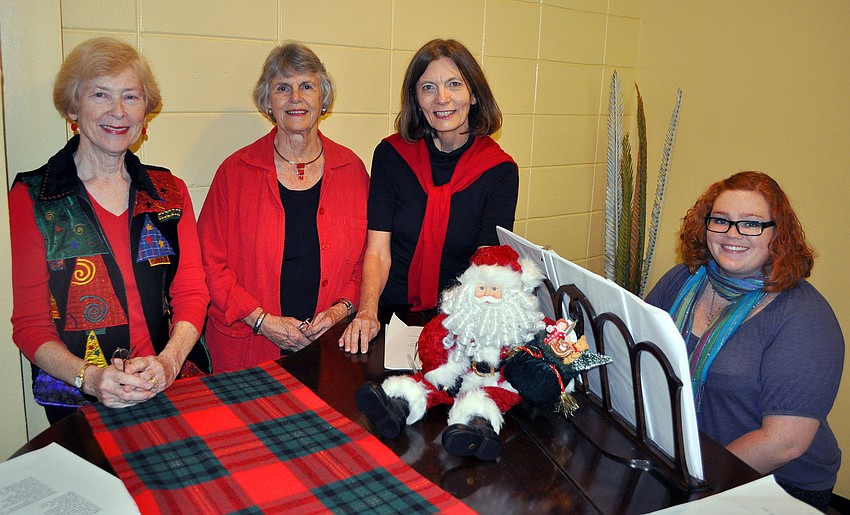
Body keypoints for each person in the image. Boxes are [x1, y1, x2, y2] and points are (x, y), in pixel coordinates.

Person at [10, 37, 211, 424]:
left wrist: (169, 363)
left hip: (172, 385)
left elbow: (192, 291)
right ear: (73, 105)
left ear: (145, 112)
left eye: (131, 97)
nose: (117, 112)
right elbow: (30, 325)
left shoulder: (169, 192)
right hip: (81, 402)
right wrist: (92, 378)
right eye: (100, 94)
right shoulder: (32, 198)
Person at [644, 171, 843, 511]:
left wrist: (690, 482)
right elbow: (638, 350)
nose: (732, 233)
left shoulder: (804, 317)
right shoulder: (682, 280)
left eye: (751, 224)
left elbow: (785, 444)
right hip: (682, 461)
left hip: (776, 485)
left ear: (777, 233)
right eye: (721, 220)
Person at [197, 42, 368, 372]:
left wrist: (339, 310)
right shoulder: (235, 172)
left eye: (307, 86)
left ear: (323, 97)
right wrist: (262, 321)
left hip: (332, 348)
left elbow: (367, 259)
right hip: (247, 350)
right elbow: (209, 263)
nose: (296, 98)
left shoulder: (353, 170)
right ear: (268, 101)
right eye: (282, 88)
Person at [340, 39, 519, 354]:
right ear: (416, 99)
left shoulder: (499, 171)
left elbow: (485, 269)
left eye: (454, 84)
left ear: (474, 94)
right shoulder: (391, 155)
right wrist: (367, 312)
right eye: (428, 87)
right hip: (390, 317)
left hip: (460, 324)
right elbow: (378, 251)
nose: (443, 99)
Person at [355, 245, 546, 460]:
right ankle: (395, 408)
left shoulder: (525, 325)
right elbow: (431, 338)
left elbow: (551, 351)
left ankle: (477, 433)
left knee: (484, 401)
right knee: (421, 385)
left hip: (496, 382)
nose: (487, 296)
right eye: (481, 288)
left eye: (495, 290)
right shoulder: (458, 317)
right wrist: (437, 369)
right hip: (456, 374)